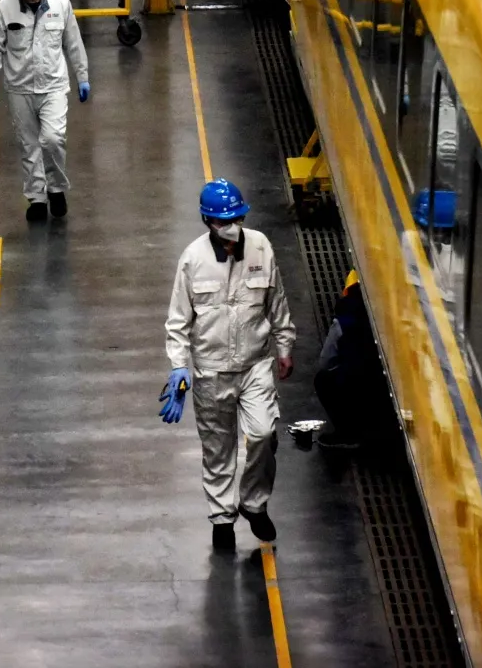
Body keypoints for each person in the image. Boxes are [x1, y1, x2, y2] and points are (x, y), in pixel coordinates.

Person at [159, 179, 296, 552]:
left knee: (264, 433)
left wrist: (284, 345)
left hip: (255, 366)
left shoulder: (261, 248)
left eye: (236, 218)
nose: (231, 226)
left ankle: (254, 503)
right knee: (218, 448)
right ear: (208, 221)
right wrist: (179, 367)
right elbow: (178, 320)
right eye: (223, 221)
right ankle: (222, 518)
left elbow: (276, 301)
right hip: (210, 371)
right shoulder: (192, 260)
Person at [0, 0, 89, 222]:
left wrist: (82, 77)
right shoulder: (4, 9)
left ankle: (56, 188)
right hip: (20, 88)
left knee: (52, 140)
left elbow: (74, 44)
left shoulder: (61, 5)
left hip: (53, 86)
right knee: (28, 145)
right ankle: (36, 198)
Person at [313, 270, 386, 450]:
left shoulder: (345, 318)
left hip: (359, 384)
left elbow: (325, 362)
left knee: (323, 380)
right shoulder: (389, 305)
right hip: (386, 387)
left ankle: (347, 434)